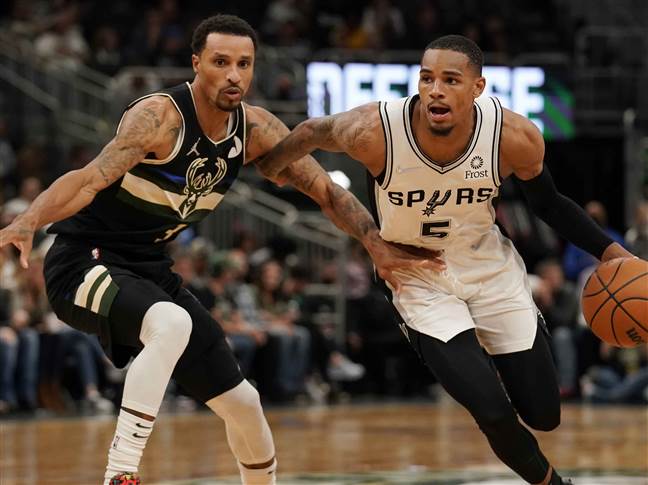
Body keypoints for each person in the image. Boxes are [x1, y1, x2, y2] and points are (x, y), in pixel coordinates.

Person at [0, 15, 444, 485]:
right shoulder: (161, 118)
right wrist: (29, 220)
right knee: (172, 323)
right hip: (82, 262)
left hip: (150, 270)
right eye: (221, 62)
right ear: (197, 63)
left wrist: (375, 244)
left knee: (244, 402)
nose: (234, 75)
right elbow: (88, 180)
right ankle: (121, 474)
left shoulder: (255, 129)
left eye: (244, 64)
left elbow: (327, 193)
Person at [257, 34, 635, 485]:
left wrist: (616, 254)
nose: (434, 90)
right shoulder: (374, 130)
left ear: (477, 88)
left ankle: (510, 349)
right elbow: (312, 131)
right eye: (426, 78)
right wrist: (271, 167)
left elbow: (549, 204)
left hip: (488, 267)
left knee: (544, 414)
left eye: (450, 80)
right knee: (491, 411)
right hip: (415, 276)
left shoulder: (513, 137)